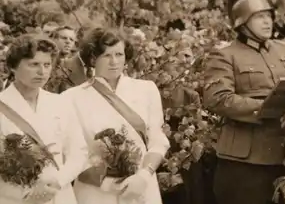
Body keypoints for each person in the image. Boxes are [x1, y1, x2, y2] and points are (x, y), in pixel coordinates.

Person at [203, 0, 285, 204]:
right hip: (245, 162)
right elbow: (217, 98)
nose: (267, 22)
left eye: (269, 16)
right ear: (242, 23)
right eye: (259, 17)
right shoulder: (225, 55)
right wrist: (265, 107)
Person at [62, 28, 170, 204]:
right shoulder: (71, 98)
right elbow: (72, 154)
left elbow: (157, 140)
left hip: (141, 187)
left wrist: (144, 175)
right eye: (106, 55)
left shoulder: (146, 90)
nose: (114, 62)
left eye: (119, 54)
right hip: (95, 193)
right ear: (92, 59)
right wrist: (108, 183)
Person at [0, 34, 88, 204]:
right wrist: (26, 193)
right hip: (15, 198)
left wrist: (57, 181)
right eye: (34, 64)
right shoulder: (3, 104)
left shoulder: (60, 102)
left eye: (47, 65)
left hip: (59, 194)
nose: (42, 72)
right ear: (13, 67)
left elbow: (79, 152)